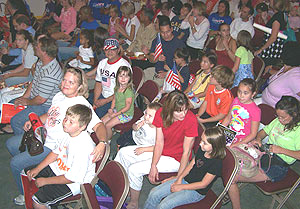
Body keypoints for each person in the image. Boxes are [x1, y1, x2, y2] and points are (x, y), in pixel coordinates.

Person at [6, 68, 107, 206]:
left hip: (52, 147)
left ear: (80, 87)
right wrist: (36, 121)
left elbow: (99, 125)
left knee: (16, 163)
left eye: (71, 82)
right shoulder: (59, 96)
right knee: (11, 144)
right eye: (64, 80)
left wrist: (102, 142)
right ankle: (31, 167)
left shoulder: (81, 105)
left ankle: (26, 194)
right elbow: (51, 114)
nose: (65, 84)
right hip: (43, 136)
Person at [122, 91, 198, 209]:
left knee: (134, 169)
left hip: (176, 159)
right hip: (162, 151)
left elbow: (186, 153)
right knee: (124, 153)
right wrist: (153, 165)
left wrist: (179, 177)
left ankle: (134, 202)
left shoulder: (191, 120)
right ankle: (126, 188)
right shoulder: (161, 114)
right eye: (178, 111)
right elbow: (159, 142)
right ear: (170, 109)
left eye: (185, 109)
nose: (183, 114)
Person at [228, 95, 300, 209]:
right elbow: (263, 132)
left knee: (231, 176)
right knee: (229, 163)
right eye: (278, 116)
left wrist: (282, 150)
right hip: (264, 153)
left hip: (278, 166)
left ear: (294, 115)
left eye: (283, 118)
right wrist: (258, 139)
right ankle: (231, 191)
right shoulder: (278, 121)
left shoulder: (298, 131)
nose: (280, 120)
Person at [26, 104, 95, 208]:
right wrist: (37, 168)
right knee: (28, 173)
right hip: (60, 168)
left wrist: (46, 181)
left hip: (73, 183)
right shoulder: (68, 133)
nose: (65, 123)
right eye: (65, 119)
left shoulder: (83, 148)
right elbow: (55, 152)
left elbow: (72, 178)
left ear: (82, 127)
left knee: (38, 201)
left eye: (71, 122)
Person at [144, 126, 226, 209]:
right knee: (153, 193)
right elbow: (191, 164)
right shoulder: (202, 149)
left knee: (164, 205)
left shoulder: (216, 163)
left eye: (204, 143)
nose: (200, 143)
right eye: (201, 140)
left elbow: (203, 184)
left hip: (196, 191)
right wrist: (179, 178)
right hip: (186, 180)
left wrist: (181, 187)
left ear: (215, 146)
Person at [5, 35, 63, 136]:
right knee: (11, 104)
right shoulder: (41, 62)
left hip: (44, 106)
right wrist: (23, 98)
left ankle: (26, 142)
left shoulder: (51, 73)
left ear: (44, 52)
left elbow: (41, 100)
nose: (34, 47)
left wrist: (27, 101)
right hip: (35, 99)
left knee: (16, 121)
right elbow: (34, 82)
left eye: (37, 46)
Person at [87, 38, 132, 118]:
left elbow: (123, 91)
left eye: (113, 49)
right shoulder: (102, 63)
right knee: (84, 106)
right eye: (107, 49)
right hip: (103, 94)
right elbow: (98, 83)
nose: (109, 52)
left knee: (94, 118)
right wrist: (95, 101)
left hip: (116, 99)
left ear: (118, 50)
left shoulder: (124, 66)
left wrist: (105, 101)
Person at [144, 15, 185, 86]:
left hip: (170, 74)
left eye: (168, 31)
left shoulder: (179, 44)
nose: (166, 35)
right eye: (163, 32)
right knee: (140, 75)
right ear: (159, 31)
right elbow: (151, 59)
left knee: (150, 87)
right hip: (156, 70)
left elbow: (183, 66)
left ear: (171, 29)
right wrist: (156, 58)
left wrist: (167, 73)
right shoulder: (157, 41)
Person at [258, 41, 300, 108]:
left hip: (273, 111)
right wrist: (270, 70)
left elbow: (291, 81)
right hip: (263, 101)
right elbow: (282, 78)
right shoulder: (286, 67)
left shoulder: (295, 77)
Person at [222, 78, 260, 147]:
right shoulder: (236, 100)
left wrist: (237, 144)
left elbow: (253, 134)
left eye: (245, 93)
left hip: (243, 140)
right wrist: (220, 130)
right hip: (230, 134)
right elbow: (228, 118)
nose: (241, 95)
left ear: (253, 94)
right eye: (239, 91)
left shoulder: (256, 110)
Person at [101, 66, 134, 140]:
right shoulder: (117, 87)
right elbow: (114, 99)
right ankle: (108, 132)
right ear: (117, 77)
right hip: (117, 110)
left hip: (126, 114)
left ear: (129, 79)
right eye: (121, 76)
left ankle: (107, 141)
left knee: (108, 125)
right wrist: (111, 109)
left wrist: (115, 114)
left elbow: (127, 107)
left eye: (126, 76)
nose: (123, 78)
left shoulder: (128, 91)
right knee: (102, 121)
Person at [254, 0, 289, 66]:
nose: (269, 2)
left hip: (272, 50)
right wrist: (265, 20)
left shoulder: (277, 17)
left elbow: (273, 37)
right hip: (271, 48)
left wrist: (261, 49)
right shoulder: (279, 15)